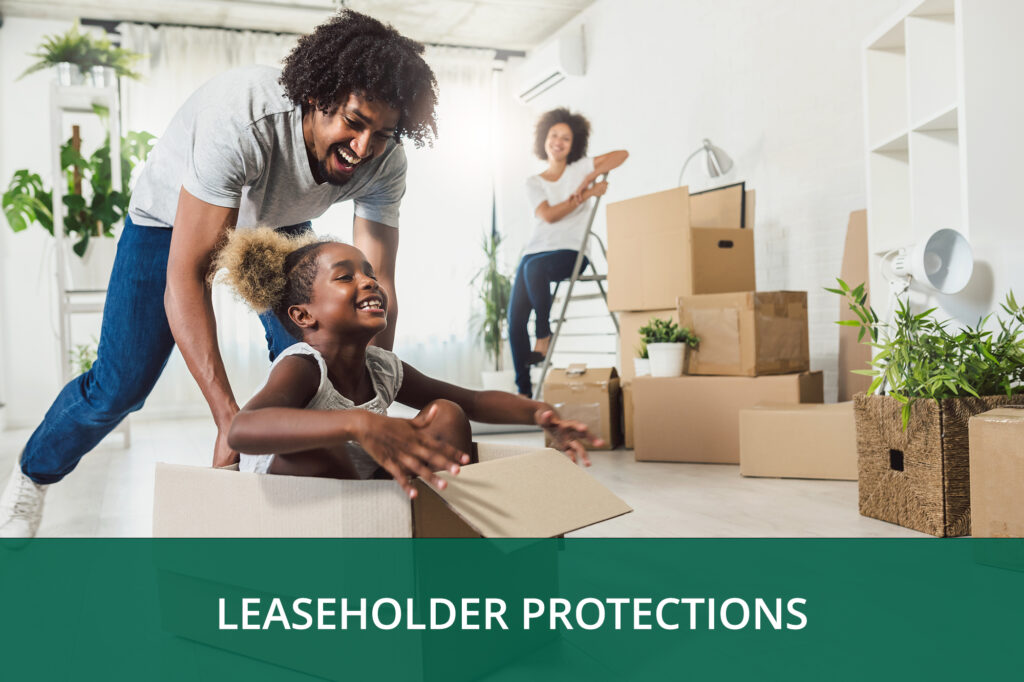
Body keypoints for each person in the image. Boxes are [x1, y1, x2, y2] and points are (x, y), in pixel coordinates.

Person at [0, 10, 440, 539]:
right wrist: (228, 419)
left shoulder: (385, 162)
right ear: (318, 98)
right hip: (168, 223)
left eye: (383, 132)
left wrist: (371, 394)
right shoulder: (243, 120)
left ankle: (301, 506)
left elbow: (379, 282)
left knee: (314, 358)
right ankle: (32, 472)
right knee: (119, 387)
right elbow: (188, 276)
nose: (363, 148)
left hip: (280, 219)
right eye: (353, 121)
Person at [219, 228, 601, 495]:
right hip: (292, 486)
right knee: (325, 446)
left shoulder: (382, 367)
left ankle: (432, 526)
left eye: (369, 273)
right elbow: (242, 430)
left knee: (447, 413)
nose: (369, 282)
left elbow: (474, 402)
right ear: (304, 316)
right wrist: (357, 421)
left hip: (363, 478)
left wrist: (537, 413)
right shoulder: (303, 365)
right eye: (345, 277)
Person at [507, 108, 628, 397]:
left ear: (574, 144)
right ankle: (524, 393)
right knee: (514, 321)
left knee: (533, 268)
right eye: (553, 135)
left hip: (571, 253)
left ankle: (544, 334)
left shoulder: (580, 167)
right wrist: (586, 195)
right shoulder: (533, 182)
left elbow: (621, 154)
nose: (559, 141)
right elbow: (548, 215)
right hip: (535, 253)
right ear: (544, 139)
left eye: (566, 137)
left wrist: (590, 177)